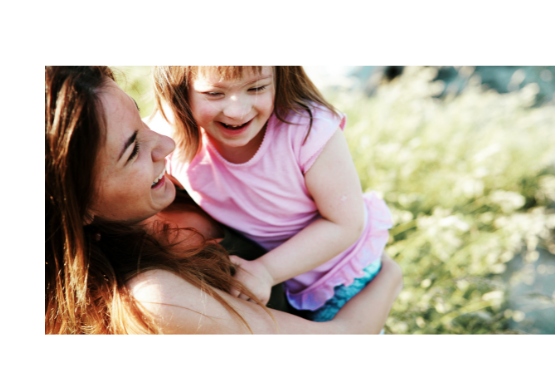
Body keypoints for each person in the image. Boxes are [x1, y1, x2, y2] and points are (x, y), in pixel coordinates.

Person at [45, 65, 404, 335]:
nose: (167, 143)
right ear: (74, 205)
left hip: (340, 274)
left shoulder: (163, 191)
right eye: (132, 150)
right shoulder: (155, 295)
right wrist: (390, 276)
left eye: (140, 117)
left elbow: (340, 218)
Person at [149, 65, 393, 321]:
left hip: (343, 276)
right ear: (178, 91)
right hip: (285, 281)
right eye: (213, 93)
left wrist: (266, 271)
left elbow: (346, 222)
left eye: (256, 88)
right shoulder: (170, 137)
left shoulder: (307, 129)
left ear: (281, 78)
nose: (237, 111)